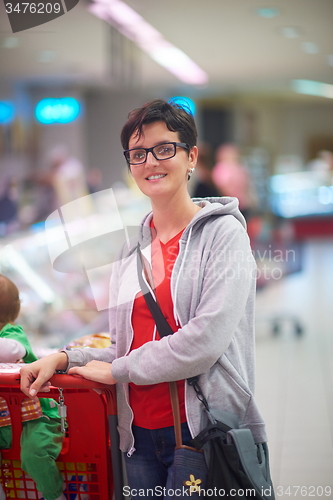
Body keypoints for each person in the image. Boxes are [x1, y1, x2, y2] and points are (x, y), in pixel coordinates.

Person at [20, 99, 268, 497]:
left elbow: (203, 342)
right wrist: (65, 358)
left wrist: (118, 371)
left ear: (191, 157)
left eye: (164, 148)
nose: (151, 161)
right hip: (137, 439)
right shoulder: (129, 250)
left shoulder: (223, 236)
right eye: (139, 154)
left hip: (203, 432)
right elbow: (125, 348)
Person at [0, 275, 66, 500]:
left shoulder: (12, 334)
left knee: (34, 454)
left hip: (36, 418)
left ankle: (55, 494)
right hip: (4, 420)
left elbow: (10, 351)